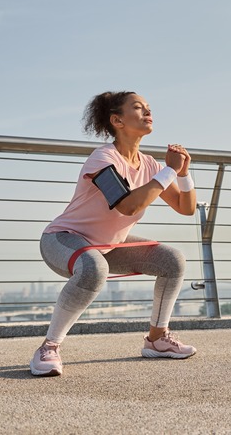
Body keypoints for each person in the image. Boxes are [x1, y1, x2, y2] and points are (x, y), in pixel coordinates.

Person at [30, 91, 197, 377]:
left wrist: (182, 173)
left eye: (148, 107)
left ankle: (157, 340)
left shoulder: (150, 166)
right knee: (94, 268)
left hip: (108, 245)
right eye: (138, 107)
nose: (147, 112)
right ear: (117, 120)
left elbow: (186, 207)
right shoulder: (103, 159)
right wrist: (168, 170)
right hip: (63, 239)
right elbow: (129, 206)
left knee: (172, 260)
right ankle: (48, 348)